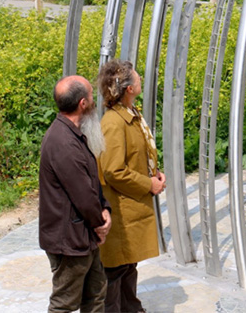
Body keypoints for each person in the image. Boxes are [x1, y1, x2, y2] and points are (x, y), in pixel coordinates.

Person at [96, 60, 165, 313]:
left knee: (128, 265)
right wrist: (149, 184)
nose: (140, 80)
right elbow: (113, 170)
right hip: (121, 210)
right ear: (128, 88)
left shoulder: (132, 115)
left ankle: (131, 309)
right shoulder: (114, 123)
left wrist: (154, 172)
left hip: (131, 206)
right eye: (137, 77)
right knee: (115, 269)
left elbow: (136, 154)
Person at [39, 75, 112, 313]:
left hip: (82, 236)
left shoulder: (73, 134)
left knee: (96, 293)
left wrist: (105, 209)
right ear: (83, 103)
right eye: (92, 97)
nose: (94, 102)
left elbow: (91, 183)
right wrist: (101, 222)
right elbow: (83, 195)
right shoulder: (63, 142)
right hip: (69, 240)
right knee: (64, 303)